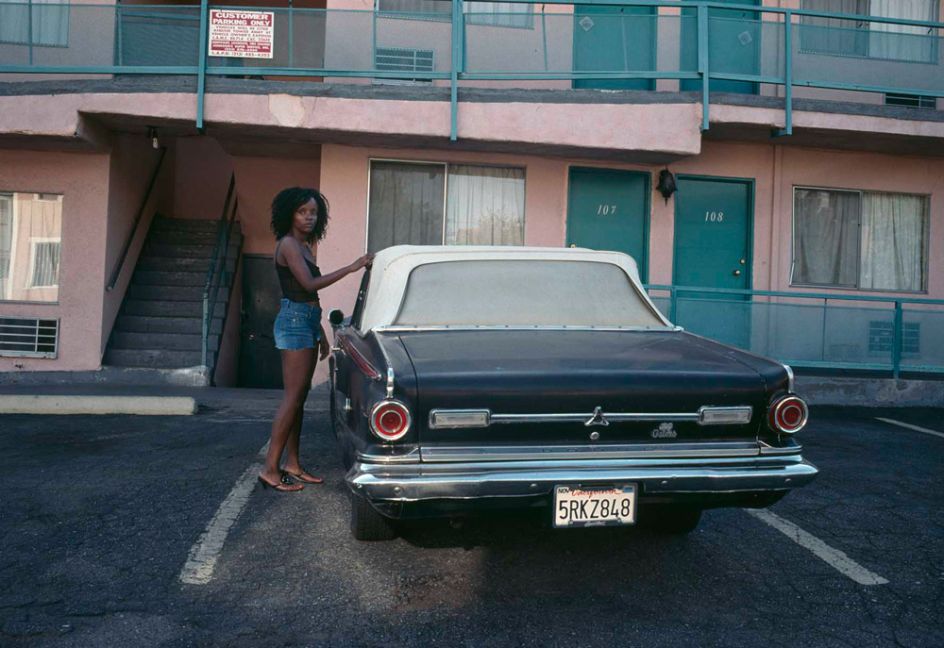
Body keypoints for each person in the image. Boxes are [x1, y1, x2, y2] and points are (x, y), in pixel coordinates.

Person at [259, 187, 372, 492]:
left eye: (313, 212)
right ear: (289, 215)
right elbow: (308, 284)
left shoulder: (303, 246)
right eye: (302, 212)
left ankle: (292, 464)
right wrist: (352, 267)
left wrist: (319, 329)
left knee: (300, 397)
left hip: (305, 320)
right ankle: (270, 469)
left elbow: (305, 294)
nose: (309, 217)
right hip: (295, 321)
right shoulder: (288, 245)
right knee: (292, 398)